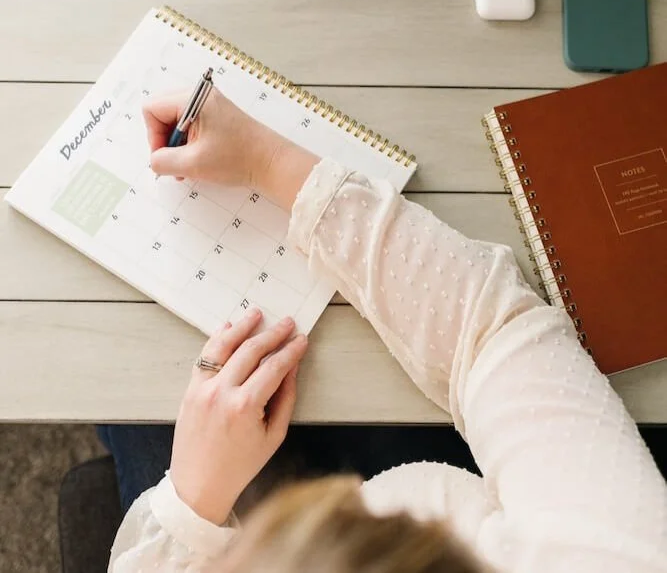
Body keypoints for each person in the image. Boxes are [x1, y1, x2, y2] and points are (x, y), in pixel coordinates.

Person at [106, 88, 666, 572]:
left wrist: (191, 501)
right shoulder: (616, 555)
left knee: (133, 407)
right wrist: (267, 158)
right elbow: (490, 327)